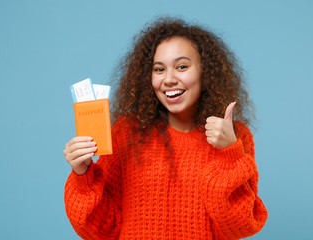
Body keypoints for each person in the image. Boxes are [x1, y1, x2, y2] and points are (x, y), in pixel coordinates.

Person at [63, 17, 268, 240]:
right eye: (159, 69)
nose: (169, 79)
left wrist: (229, 154)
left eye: (182, 67)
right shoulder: (127, 133)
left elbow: (238, 228)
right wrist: (83, 174)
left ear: (205, 72)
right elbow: (104, 228)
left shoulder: (235, 137)